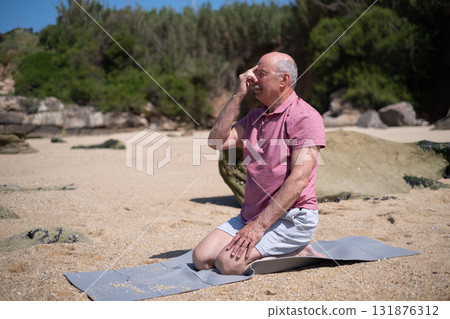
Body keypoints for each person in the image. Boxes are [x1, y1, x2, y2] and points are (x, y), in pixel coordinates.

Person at [193, 52, 326, 275]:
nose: (253, 78)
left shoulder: (305, 117)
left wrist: (258, 228)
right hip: (252, 215)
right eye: (253, 73)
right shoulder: (255, 117)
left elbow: (299, 180)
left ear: (283, 80)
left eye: (261, 73)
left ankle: (298, 249)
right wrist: (237, 95)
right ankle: (282, 247)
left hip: (292, 217)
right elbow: (216, 142)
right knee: (202, 259)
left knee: (228, 264)